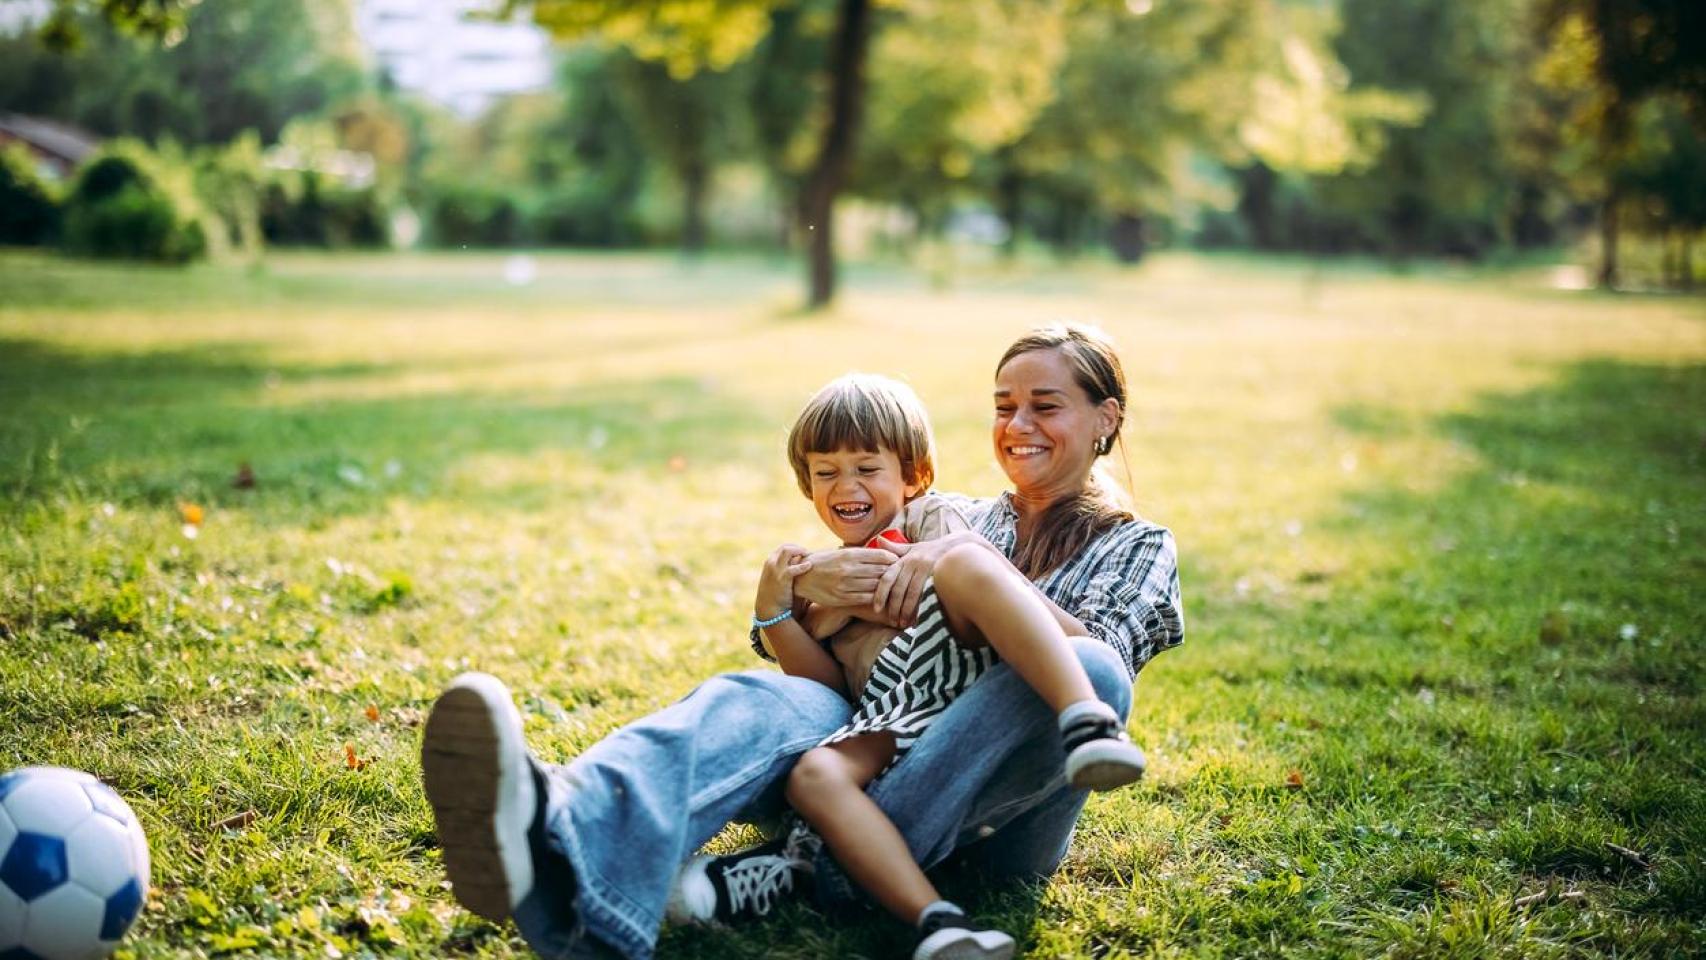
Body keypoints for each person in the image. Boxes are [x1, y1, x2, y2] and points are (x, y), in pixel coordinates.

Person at [420, 324, 1184, 960]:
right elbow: (846, 648)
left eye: (1044, 406)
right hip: (873, 757)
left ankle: (807, 868)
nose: (1017, 427)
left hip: (999, 813)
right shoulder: (947, 512)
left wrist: (962, 571)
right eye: (1003, 406)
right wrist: (783, 605)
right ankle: (558, 831)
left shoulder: (1135, 544)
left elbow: (1104, 658)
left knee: (1088, 671)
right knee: (767, 696)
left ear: (1106, 419)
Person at [673, 372, 1146, 959]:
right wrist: (781, 615)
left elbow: (949, 583)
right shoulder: (826, 583)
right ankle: (937, 921)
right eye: (825, 473)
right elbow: (827, 690)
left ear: (913, 476)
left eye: (867, 469)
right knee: (813, 775)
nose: (845, 486)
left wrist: (824, 597)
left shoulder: (932, 518)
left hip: (963, 690)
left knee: (969, 564)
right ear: (807, 484)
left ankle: (1086, 720)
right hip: (894, 711)